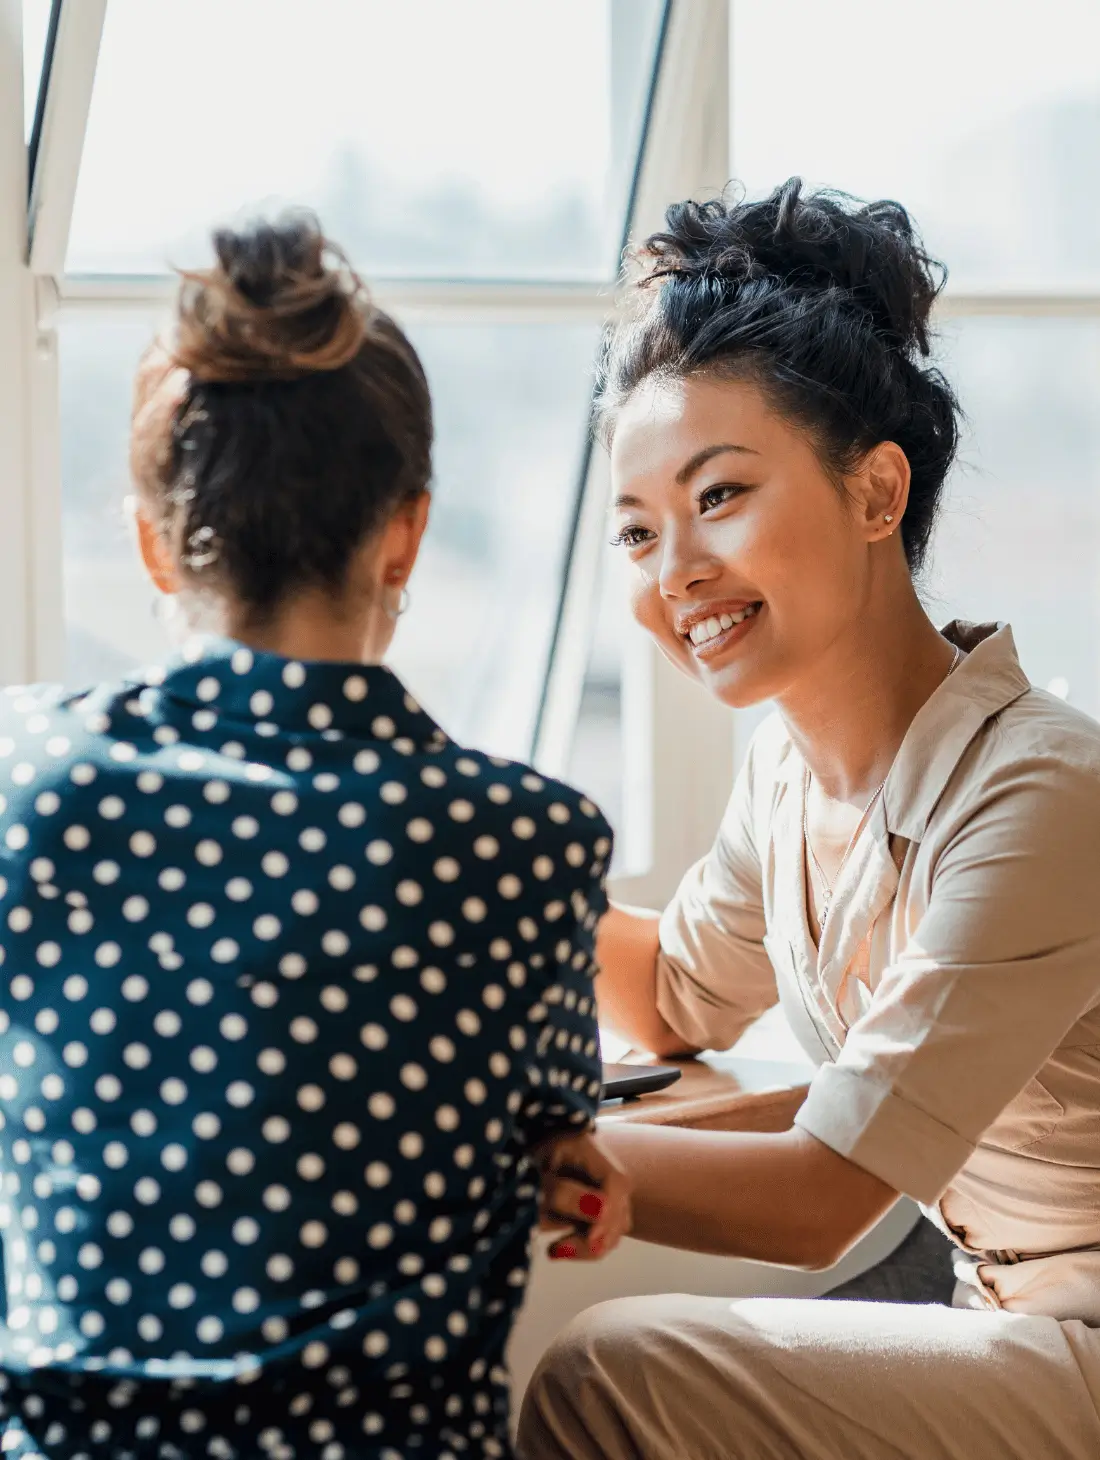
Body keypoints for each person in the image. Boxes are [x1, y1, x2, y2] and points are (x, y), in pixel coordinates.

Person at [0, 216, 630, 1460]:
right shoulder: (526, 842)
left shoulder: (24, 784)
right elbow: (559, 1134)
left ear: (153, 538)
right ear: (404, 531)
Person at [517, 179, 1100, 1459]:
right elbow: (675, 991)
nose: (672, 570)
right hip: (1002, 1326)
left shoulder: (1038, 793)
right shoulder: (787, 778)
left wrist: (513, 1146)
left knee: (608, 1372)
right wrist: (471, 861)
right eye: (633, 529)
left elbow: (824, 1200)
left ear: (876, 492)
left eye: (718, 496)